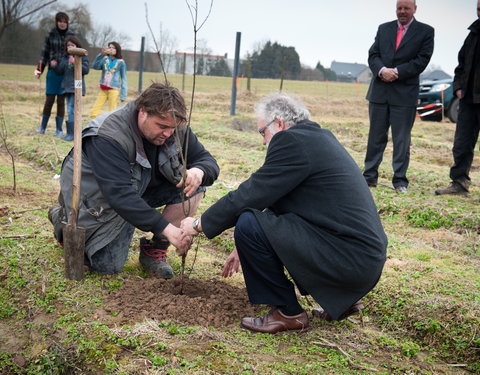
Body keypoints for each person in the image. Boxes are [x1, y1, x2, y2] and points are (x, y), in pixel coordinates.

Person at [180, 93, 388, 334]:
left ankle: (287, 313)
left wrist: (199, 223)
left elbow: (252, 192)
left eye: (262, 132)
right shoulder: (316, 139)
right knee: (253, 223)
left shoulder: (291, 141)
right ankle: (341, 298)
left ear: (278, 123)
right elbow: (281, 200)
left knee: (248, 221)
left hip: (349, 260)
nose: (263, 141)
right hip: (360, 258)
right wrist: (244, 246)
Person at [48, 83, 219, 278]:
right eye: (162, 126)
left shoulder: (173, 127)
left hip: (138, 191)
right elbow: (120, 195)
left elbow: (209, 162)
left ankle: (155, 250)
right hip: (101, 202)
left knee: (195, 186)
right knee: (106, 267)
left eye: (172, 128)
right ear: (143, 111)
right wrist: (168, 229)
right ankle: (61, 219)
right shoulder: (108, 137)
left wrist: (199, 171)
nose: (168, 133)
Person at [363, 0, 434, 194]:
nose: (402, 12)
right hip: (379, 92)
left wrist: (397, 72)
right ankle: (369, 177)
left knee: (401, 140)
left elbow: (421, 61)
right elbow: (373, 55)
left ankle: (400, 180)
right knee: (375, 137)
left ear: (414, 9)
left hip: (404, 95)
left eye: (406, 8)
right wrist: (382, 70)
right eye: (399, 8)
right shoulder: (383, 28)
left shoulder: (426, 32)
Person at [435, 0, 480, 197]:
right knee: (461, 144)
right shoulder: (473, 34)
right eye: (478, 8)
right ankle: (459, 183)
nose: (479, 12)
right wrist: (458, 88)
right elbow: (460, 65)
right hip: (469, 100)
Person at [34, 11, 74, 136]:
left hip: (65, 74)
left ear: (67, 23)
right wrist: (39, 70)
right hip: (52, 73)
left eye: (64, 22)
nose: (62, 24)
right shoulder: (50, 34)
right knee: (49, 100)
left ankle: (59, 129)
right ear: (56, 22)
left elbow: (74, 52)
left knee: (61, 101)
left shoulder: (71, 35)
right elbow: (44, 54)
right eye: (60, 21)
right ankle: (42, 128)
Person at [54, 36, 90, 141]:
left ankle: (73, 134)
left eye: (72, 45)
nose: (70, 47)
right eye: (68, 45)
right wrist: (56, 65)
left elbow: (86, 70)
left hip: (77, 88)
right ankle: (70, 133)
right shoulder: (65, 58)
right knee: (70, 110)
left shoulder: (82, 56)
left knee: (72, 110)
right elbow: (60, 70)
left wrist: (75, 62)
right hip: (67, 87)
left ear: (77, 46)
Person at [90, 42, 127, 119]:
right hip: (103, 89)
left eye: (113, 48)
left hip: (114, 90)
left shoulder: (121, 62)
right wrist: (101, 55)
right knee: (94, 111)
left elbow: (124, 78)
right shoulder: (104, 59)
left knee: (112, 112)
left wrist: (123, 94)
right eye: (109, 47)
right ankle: (92, 126)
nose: (110, 49)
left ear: (117, 50)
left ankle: (111, 128)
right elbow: (95, 66)